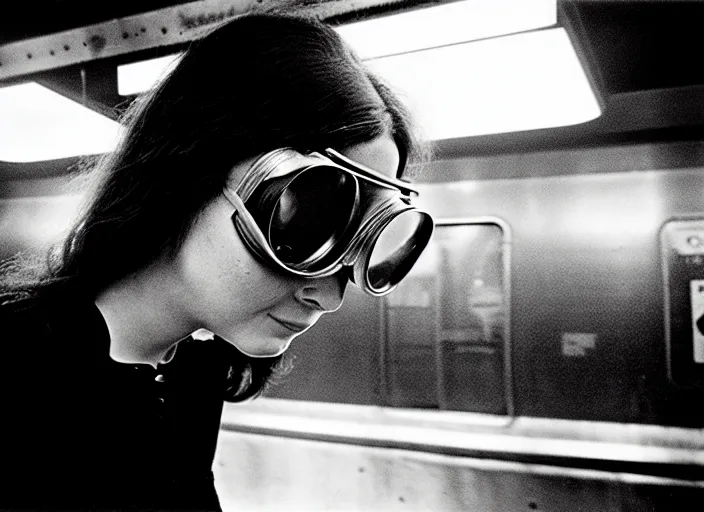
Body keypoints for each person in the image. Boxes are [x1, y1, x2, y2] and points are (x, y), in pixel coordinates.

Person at [0, 10, 433, 512]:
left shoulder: (194, 374)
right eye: (310, 220)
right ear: (191, 172)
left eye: (356, 245)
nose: (328, 295)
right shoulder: (17, 375)